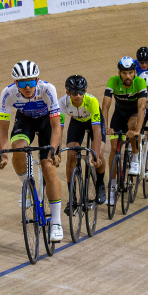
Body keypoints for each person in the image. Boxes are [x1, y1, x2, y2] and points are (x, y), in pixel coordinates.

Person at [0, 61, 64, 243]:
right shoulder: (7, 94)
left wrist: (54, 150)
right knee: (17, 148)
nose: (27, 87)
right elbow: (3, 130)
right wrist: (3, 153)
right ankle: (28, 185)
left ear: (38, 80)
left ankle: (56, 222)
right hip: (25, 119)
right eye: (22, 83)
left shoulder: (48, 89)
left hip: (46, 121)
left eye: (31, 83)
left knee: (48, 167)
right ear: (15, 83)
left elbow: (56, 127)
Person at [100, 57, 147, 201]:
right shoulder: (112, 81)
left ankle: (134, 158)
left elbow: (141, 107)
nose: (127, 76)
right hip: (119, 115)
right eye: (124, 73)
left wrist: (138, 131)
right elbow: (106, 106)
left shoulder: (140, 82)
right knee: (114, 150)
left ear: (134, 73)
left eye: (130, 73)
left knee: (132, 127)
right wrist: (106, 128)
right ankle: (113, 188)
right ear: (119, 73)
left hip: (134, 115)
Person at [58, 75, 106, 204]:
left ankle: (100, 184)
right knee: (71, 155)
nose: (78, 95)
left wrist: (95, 154)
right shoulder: (62, 102)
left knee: (99, 154)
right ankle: (72, 195)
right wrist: (56, 151)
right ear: (68, 93)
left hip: (94, 123)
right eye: (74, 92)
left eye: (81, 92)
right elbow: (59, 128)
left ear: (85, 91)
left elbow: (96, 130)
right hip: (77, 122)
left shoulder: (92, 101)